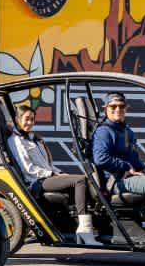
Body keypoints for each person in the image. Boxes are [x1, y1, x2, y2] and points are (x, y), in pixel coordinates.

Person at [8, 105, 101, 245]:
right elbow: (28, 169)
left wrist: (59, 172)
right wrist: (52, 174)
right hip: (36, 182)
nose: (30, 123)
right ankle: (84, 230)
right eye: (26, 119)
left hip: (47, 176)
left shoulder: (35, 139)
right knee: (80, 180)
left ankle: (84, 227)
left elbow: (48, 164)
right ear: (17, 120)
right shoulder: (15, 141)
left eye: (32, 119)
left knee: (84, 180)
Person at [92, 92, 145, 246]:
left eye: (121, 106)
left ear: (126, 108)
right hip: (116, 181)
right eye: (113, 106)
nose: (117, 109)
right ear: (106, 108)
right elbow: (100, 159)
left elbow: (135, 159)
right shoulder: (104, 131)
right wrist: (127, 167)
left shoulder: (127, 131)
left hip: (130, 177)